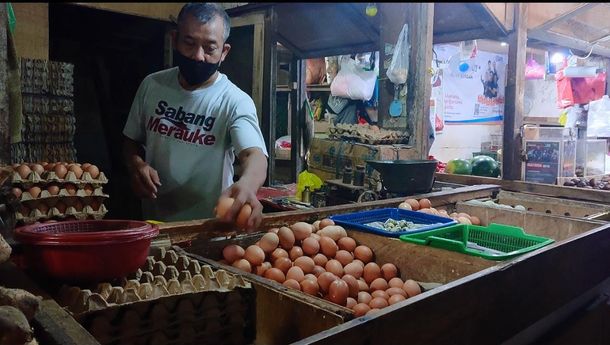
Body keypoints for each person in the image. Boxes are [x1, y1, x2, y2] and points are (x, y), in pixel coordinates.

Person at [122, 3, 268, 230]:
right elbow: (130, 141)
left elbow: (253, 154)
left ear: (224, 52)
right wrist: (136, 165)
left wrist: (248, 184)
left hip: (208, 227)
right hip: (154, 225)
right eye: (189, 44)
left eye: (210, 48)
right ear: (175, 39)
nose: (198, 56)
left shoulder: (234, 101)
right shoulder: (152, 85)